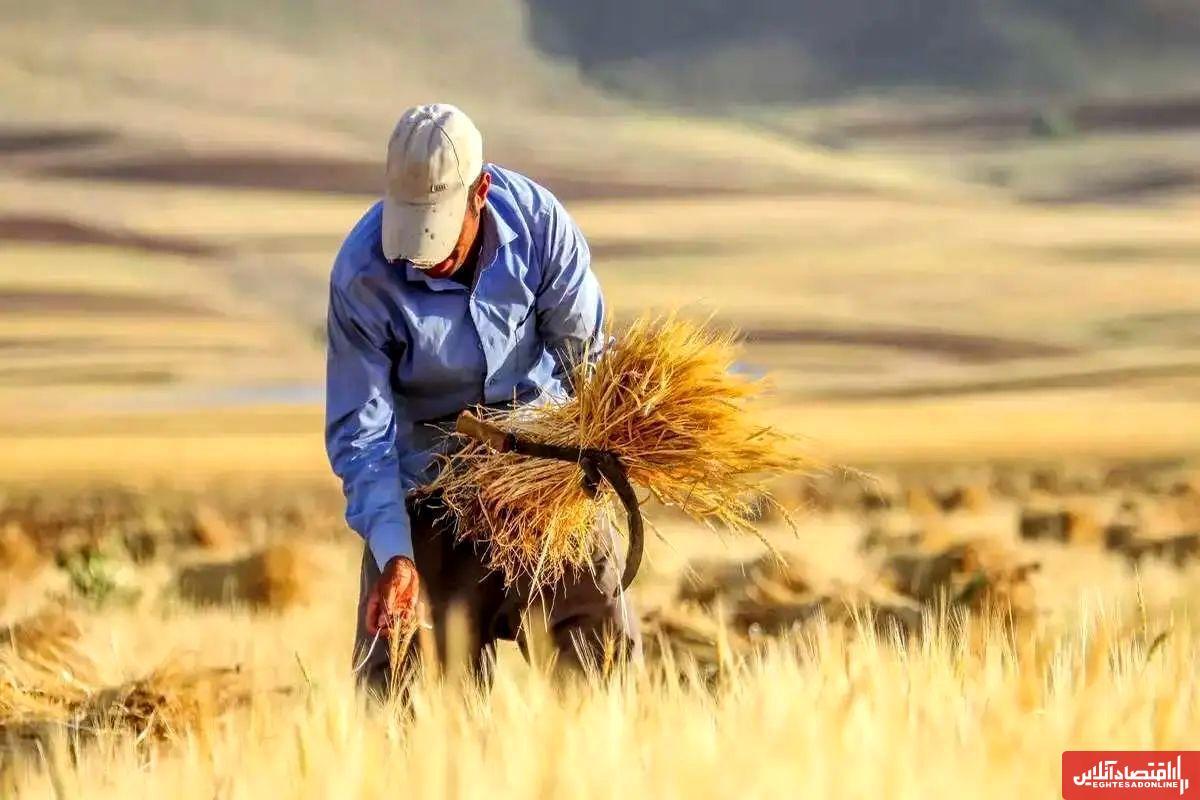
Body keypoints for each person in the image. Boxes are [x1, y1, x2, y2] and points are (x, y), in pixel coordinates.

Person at [325, 103, 640, 696]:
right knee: (397, 683)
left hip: (543, 475)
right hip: (429, 484)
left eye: (439, 228)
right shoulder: (361, 275)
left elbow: (586, 364)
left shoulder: (542, 227)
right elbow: (361, 436)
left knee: (603, 665)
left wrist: (604, 451)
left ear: (481, 192)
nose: (424, 251)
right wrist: (394, 554)